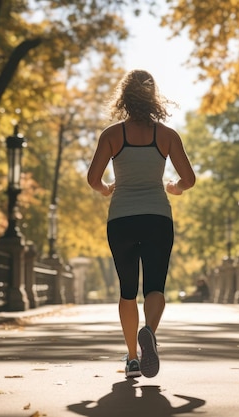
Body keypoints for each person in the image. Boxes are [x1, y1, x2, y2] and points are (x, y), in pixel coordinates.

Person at [87, 69, 196, 378]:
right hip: (157, 217)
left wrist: (107, 188)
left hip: (121, 218)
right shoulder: (167, 135)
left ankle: (133, 358)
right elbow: (189, 179)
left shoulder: (112, 135)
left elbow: (93, 179)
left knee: (126, 290)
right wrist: (175, 187)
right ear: (153, 97)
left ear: (124, 96)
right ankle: (149, 331)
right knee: (155, 286)